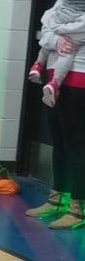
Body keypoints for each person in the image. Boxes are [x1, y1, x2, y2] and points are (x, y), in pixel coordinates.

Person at [25, 31, 85, 229]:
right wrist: (54, 39)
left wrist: (57, 37)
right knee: (59, 140)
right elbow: (46, 30)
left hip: (79, 76)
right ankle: (58, 197)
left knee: (76, 143)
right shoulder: (63, 5)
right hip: (54, 77)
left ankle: (78, 208)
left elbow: (75, 33)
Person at [28, 0, 85, 107]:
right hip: (53, 70)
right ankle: (39, 67)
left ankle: (41, 67)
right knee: (58, 130)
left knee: (74, 131)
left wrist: (62, 33)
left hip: (80, 70)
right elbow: (48, 21)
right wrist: (55, 39)